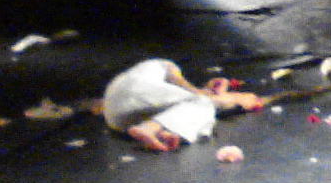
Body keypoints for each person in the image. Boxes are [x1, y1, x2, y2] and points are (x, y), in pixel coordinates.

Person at [103, 58, 264, 152]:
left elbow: (178, 98)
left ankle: (163, 132)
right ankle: (149, 128)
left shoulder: (140, 77)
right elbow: (201, 96)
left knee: (197, 111)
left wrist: (205, 91)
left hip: (117, 119)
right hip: (131, 95)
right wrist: (238, 98)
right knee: (205, 105)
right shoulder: (162, 65)